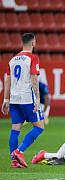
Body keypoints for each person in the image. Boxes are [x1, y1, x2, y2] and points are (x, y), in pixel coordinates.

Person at [1, 32, 44, 168]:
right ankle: (19, 151)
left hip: (14, 98)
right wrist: (37, 98)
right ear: (33, 43)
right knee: (39, 126)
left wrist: (6, 99)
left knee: (15, 128)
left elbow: (7, 80)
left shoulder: (12, 60)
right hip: (27, 97)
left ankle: (14, 162)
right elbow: (34, 78)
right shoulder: (33, 58)